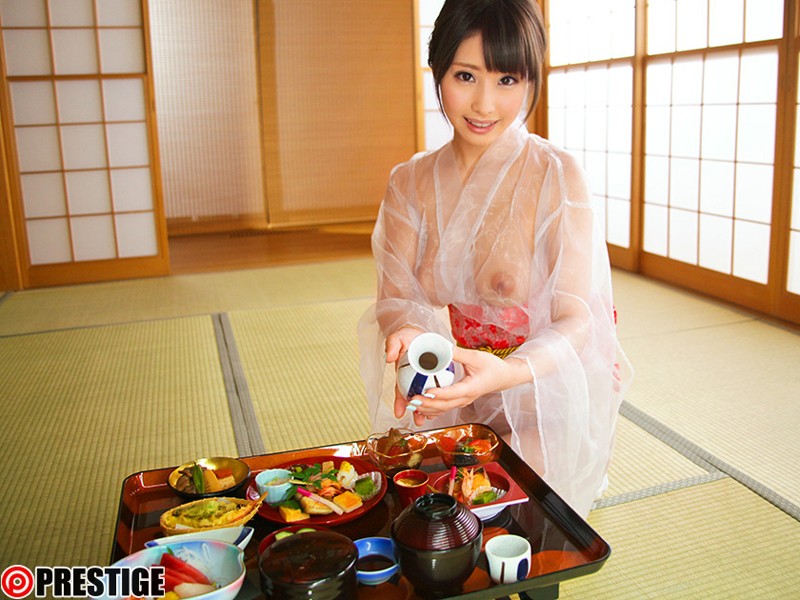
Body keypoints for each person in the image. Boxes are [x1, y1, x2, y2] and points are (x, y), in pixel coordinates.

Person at [357, 0, 631, 517]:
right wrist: (411, 340)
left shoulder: (556, 175)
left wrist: (507, 373)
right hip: (456, 378)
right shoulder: (409, 182)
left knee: (514, 502)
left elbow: (577, 320)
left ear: (530, 82)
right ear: (438, 70)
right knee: (428, 501)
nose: (484, 104)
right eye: (465, 76)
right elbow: (396, 298)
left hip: (540, 381)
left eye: (507, 80)